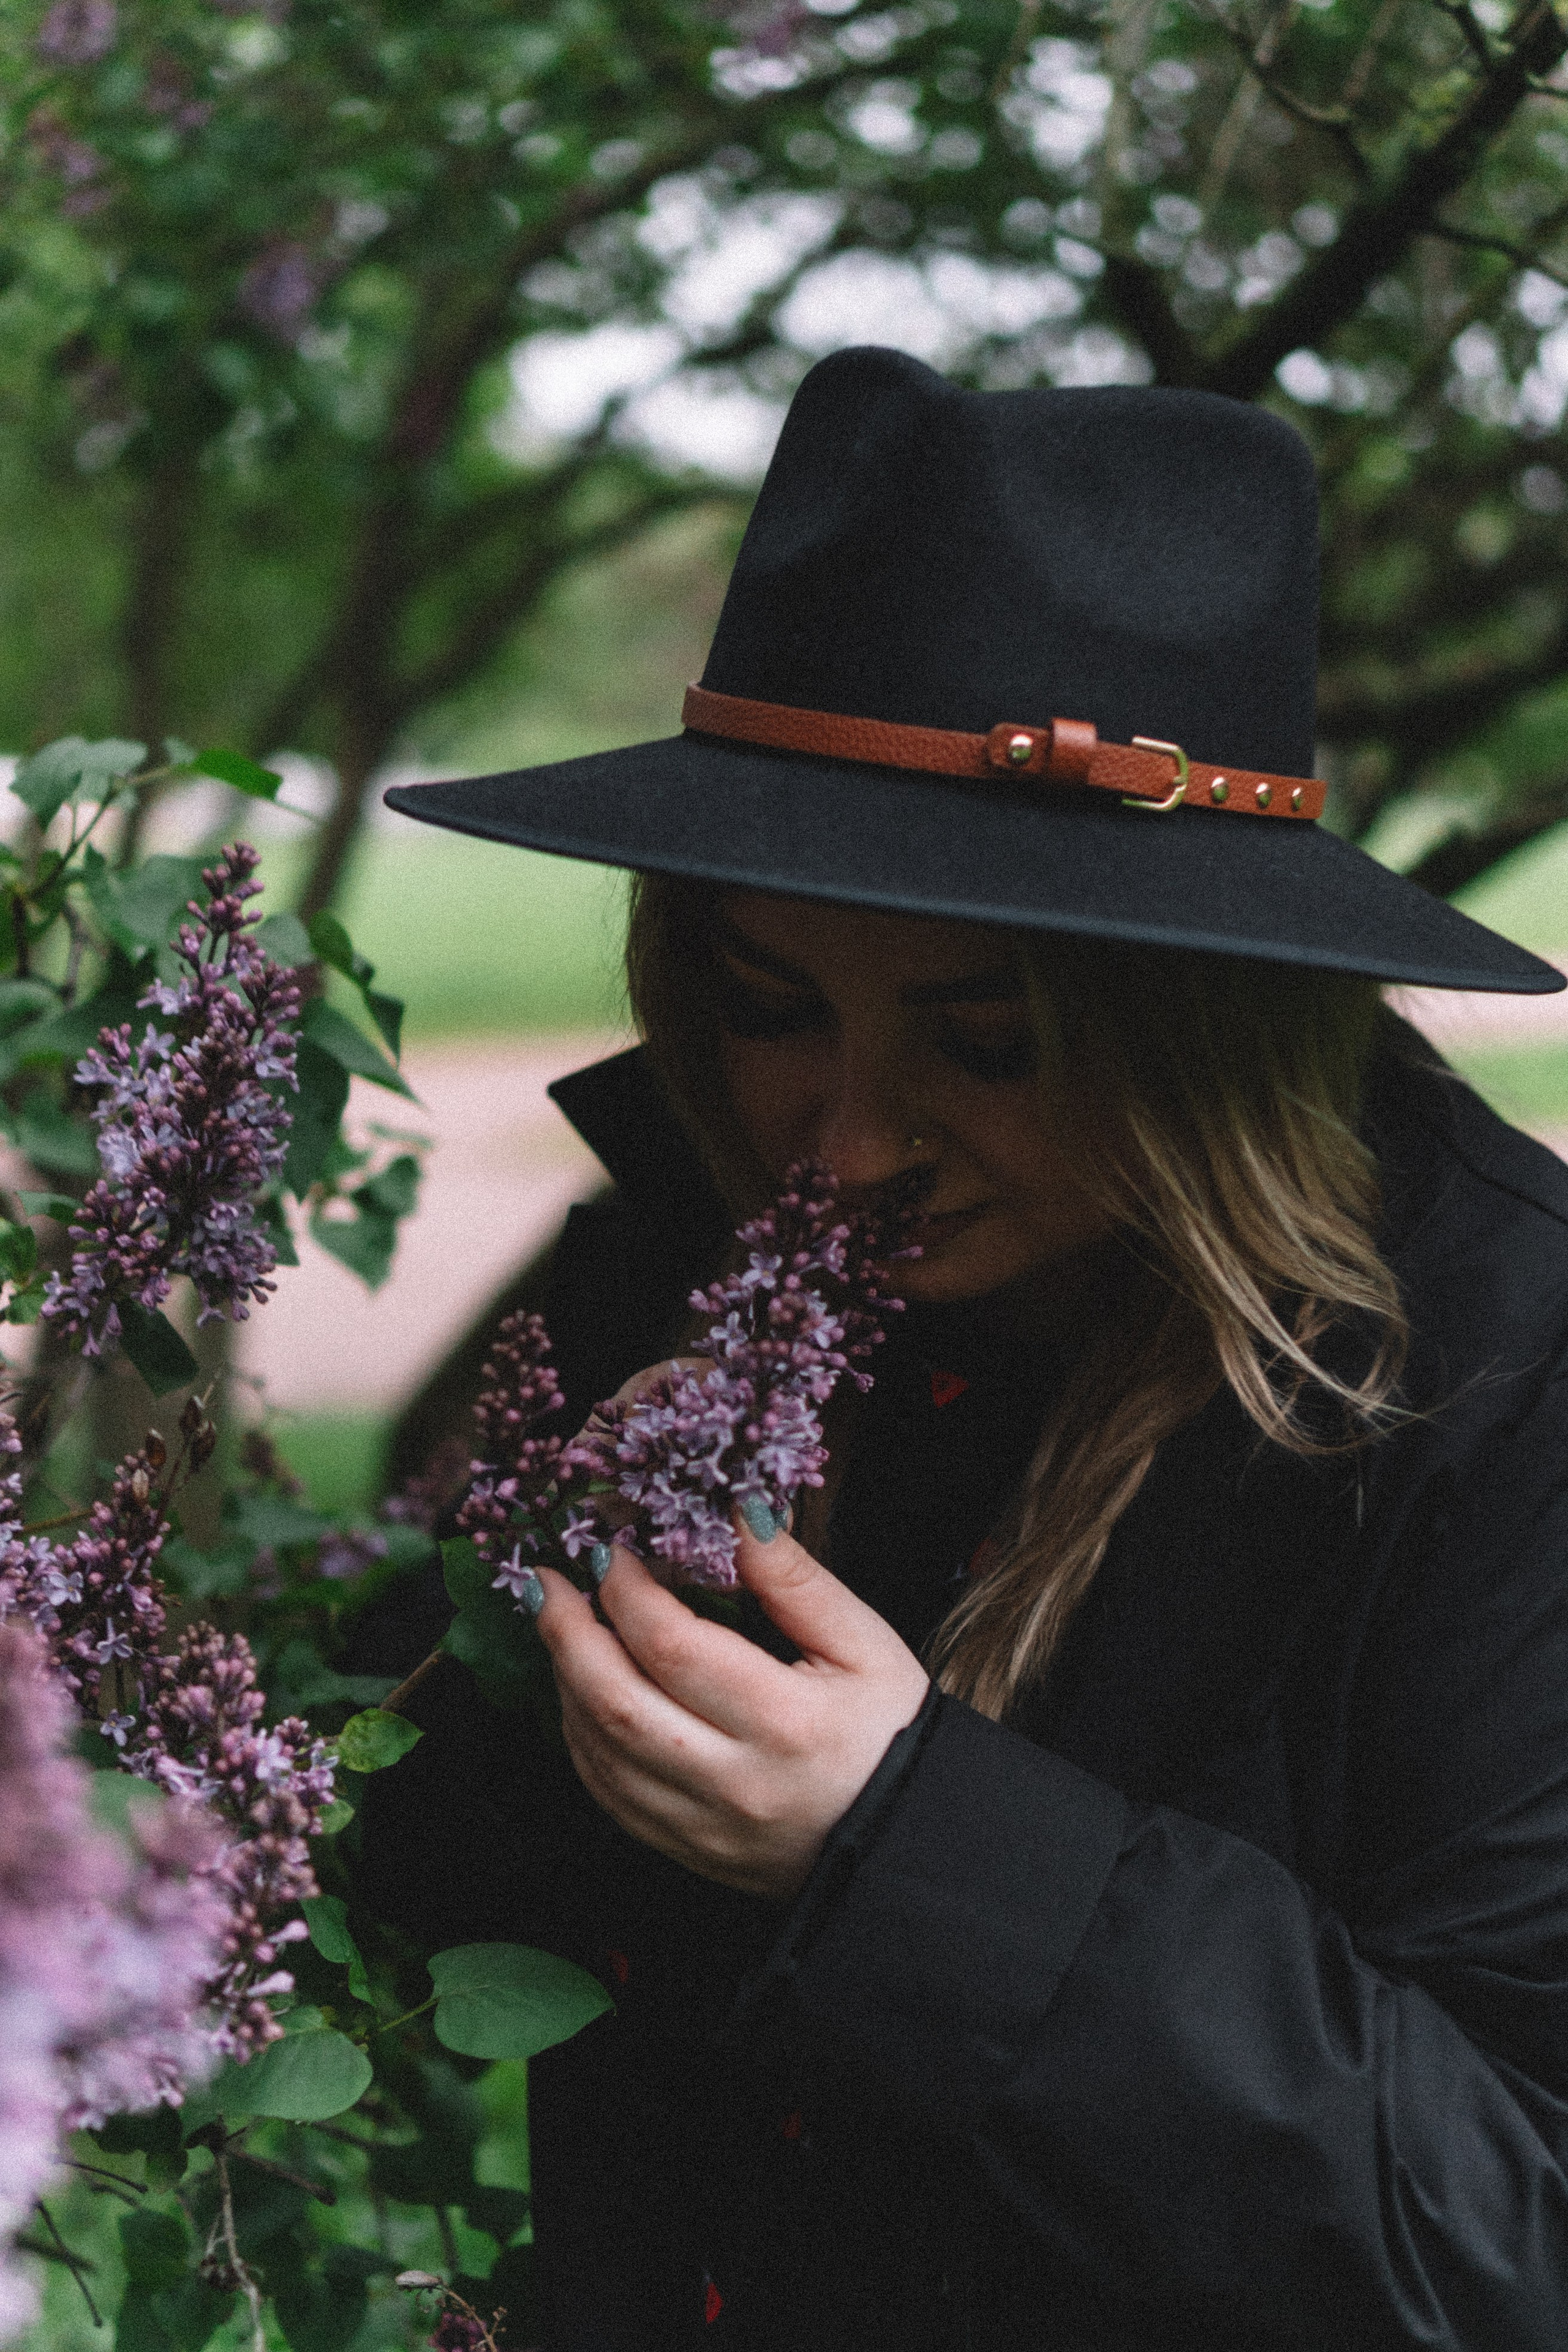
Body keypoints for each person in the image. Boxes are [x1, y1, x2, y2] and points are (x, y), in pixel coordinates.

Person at [356, 347, 1568, 2350]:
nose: (842, 1140)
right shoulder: (687, 1232)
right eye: (767, 999)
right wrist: (564, 1601)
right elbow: (435, 1890)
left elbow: (1507, 2229)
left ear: (1201, 1019)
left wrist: (907, 1849)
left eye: (987, 1040)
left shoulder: (1502, 1377)